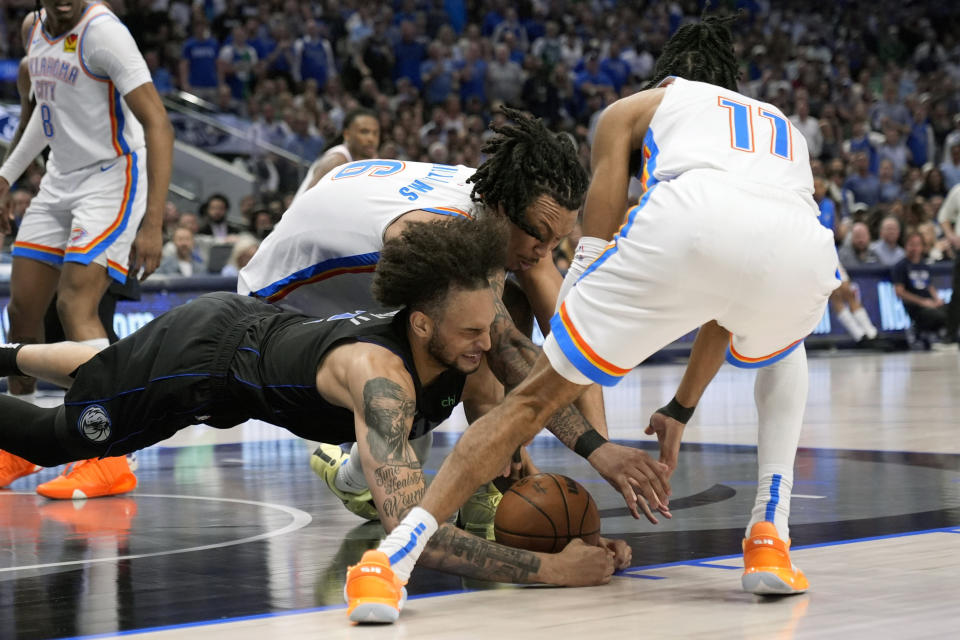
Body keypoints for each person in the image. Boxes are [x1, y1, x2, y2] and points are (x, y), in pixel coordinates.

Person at [349, 13, 840, 623]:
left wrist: (578, 317)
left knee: (527, 403)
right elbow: (731, 298)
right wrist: (681, 408)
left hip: (687, 225)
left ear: (669, 78)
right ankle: (769, 538)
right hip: (805, 250)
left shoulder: (641, 106)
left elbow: (598, 235)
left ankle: (388, 564)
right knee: (786, 348)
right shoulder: (785, 128)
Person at [0, 217, 623, 589]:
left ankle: (7, 354)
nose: (487, 344)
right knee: (61, 438)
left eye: (488, 329)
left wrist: (598, 459)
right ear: (424, 326)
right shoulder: (382, 383)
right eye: (472, 335)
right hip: (198, 367)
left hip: (240, 329)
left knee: (110, 367)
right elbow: (416, 537)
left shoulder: (462, 328)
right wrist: (553, 570)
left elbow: (529, 377)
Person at [240, 108, 629, 540]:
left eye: (557, 240)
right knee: (453, 345)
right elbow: (504, 353)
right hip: (271, 318)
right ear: (501, 209)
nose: (545, 252)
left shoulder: (498, 195)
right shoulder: (438, 229)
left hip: (346, 285)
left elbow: (570, 335)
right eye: (540, 236)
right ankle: (362, 476)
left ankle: (468, 472)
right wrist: (594, 451)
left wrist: (602, 439)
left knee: (496, 306)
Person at [0, 0, 173, 498]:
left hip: (114, 175)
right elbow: (42, 115)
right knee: (22, 311)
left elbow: (159, 123)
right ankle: (18, 443)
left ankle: (110, 453)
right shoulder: (34, 29)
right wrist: (6, 176)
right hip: (59, 179)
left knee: (76, 304)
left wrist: (153, 222)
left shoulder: (104, 34)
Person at [293, 107, 380, 199]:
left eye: (375, 133)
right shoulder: (336, 160)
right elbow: (307, 202)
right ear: (347, 135)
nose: (371, 139)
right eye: (364, 132)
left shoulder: (372, 159)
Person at [891, 231, 948, 347]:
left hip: (930, 304)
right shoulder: (900, 266)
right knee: (936, 314)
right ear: (905, 246)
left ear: (922, 247)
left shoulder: (924, 265)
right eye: (911, 244)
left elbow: (929, 286)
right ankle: (919, 331)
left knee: (951, 310)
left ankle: (942, 336)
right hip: (916, 308)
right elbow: (899, 292)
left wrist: (937, 300)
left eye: (917, 245)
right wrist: (923, 302)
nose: (914, 248)